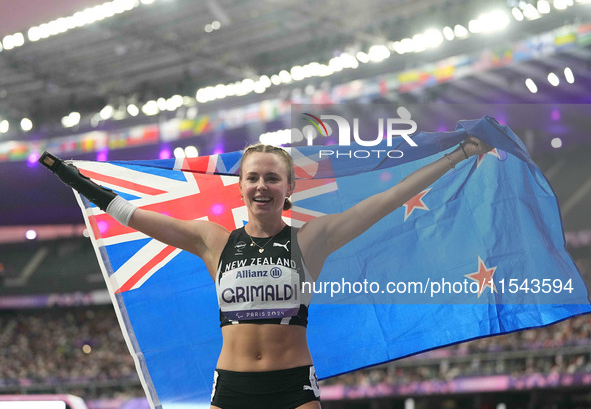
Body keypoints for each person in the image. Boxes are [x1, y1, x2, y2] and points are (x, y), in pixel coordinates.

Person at [40, 135, 492, 409]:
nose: (262, 185)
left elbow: (386, 200)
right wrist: (74, 179)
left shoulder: (312, 240)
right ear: (240, 187)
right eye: (253, 177)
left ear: (290, 187)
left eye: (273, 178)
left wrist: (453, 158)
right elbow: (133, 215)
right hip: (230, 388)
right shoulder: (211, 240)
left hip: (292, 389)